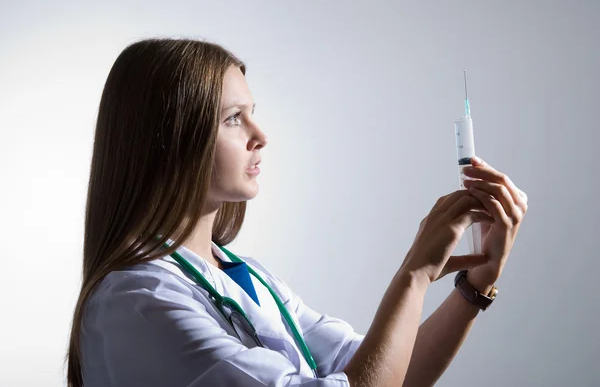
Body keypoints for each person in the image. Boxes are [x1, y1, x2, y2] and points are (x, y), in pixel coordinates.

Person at [66, 38, 528, 387]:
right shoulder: (136, 301)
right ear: (167, 141)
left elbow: (392, 371)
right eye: (233, 118)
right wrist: (414, 274)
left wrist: (477, 283)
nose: (259, 134)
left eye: (253, 113)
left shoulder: (244, 276)